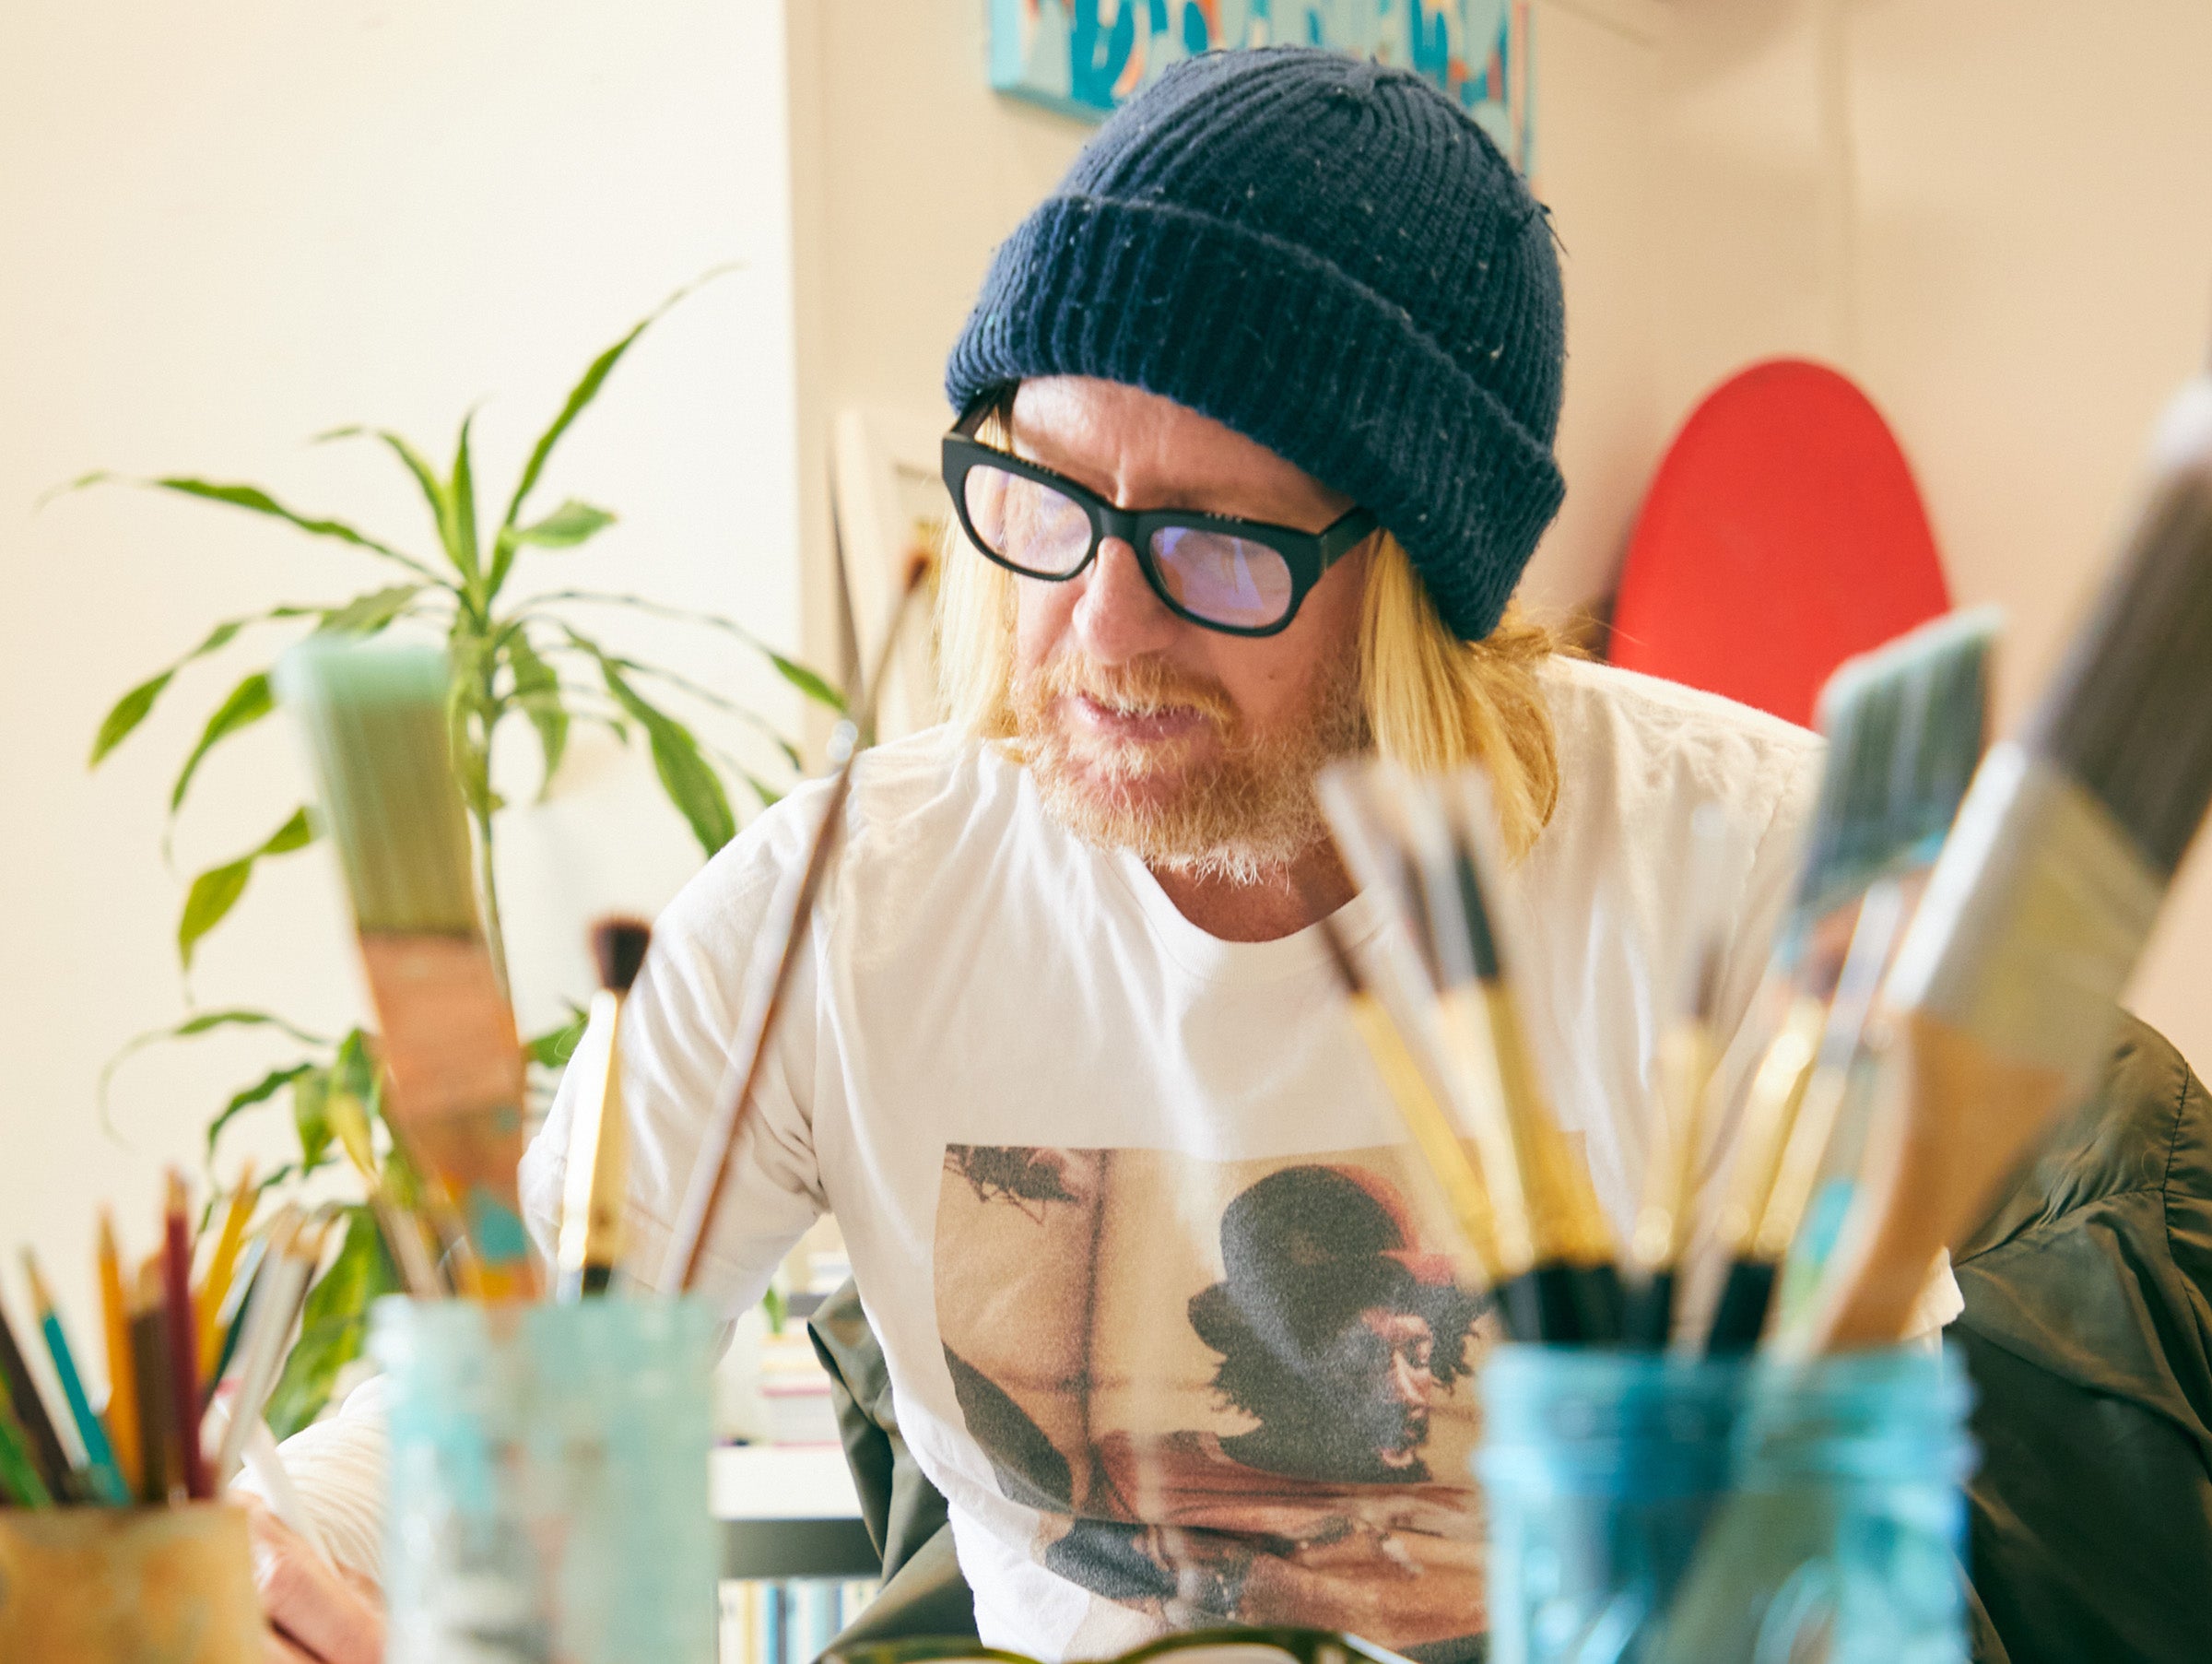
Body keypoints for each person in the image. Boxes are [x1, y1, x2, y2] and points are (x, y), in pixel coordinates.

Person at [248, 45, 1956, 1663]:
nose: (1102, 626)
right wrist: (249, 1559)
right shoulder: (841, 907)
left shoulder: (1749, 873)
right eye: (1045, 500)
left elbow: (1833, 1570)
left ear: (1419, 589)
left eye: (1214, 545)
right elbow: (506, 1387)